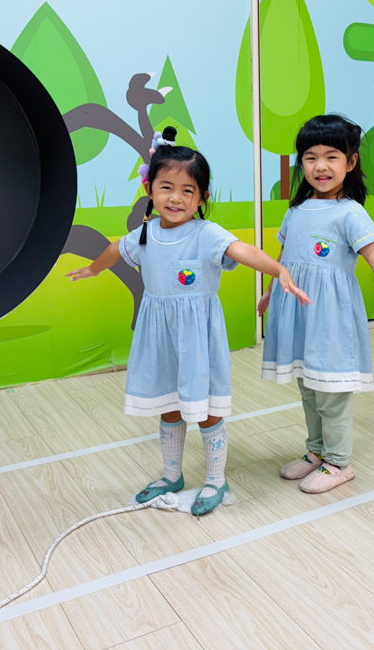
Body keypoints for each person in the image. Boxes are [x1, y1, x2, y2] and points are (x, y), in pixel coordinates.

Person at [68, 128, 310, 515]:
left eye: (187, 190)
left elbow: (243, 250)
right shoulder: (145, 234)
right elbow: (115, 248)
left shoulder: (207, 234)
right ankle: (171, 475)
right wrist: (94, 269)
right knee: (169, 406)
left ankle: (215, 479)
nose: (176, 198)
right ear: (149, 190)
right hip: (159, 337)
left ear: (202, 197)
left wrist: (278, 269)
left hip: (198, 339)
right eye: (166, 187)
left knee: (207, 409)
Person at [258, 114, 374, 493]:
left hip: (330, 317)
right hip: (298, 314)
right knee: (309, 389)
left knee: (331, 393)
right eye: (310, 157)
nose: (320, 166)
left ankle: (339, 462)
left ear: (351, 161)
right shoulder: (296, 211)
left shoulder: (351, 212)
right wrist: (271, 290)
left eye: (331, 156)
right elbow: (283, 258)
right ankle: (316, 452)